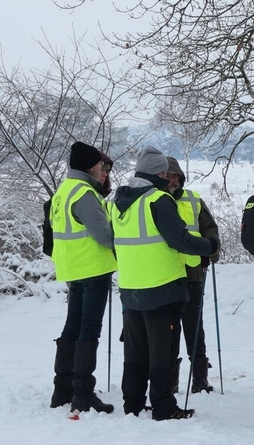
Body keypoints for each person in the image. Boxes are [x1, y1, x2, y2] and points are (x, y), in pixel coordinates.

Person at [110, 147, 218, 421]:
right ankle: (163, 405)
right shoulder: (158, 200)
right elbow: (180, 239)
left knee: (135, 350)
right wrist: (209, 246)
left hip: (130, 287)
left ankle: (132, 403)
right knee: (163, 350)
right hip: (162, 286)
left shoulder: (118, 202)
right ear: (157, 172)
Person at [48, 141, 118, 414]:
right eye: (100, 165)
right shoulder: (84, 193)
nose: (103, 169)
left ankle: (62, 389)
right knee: (89, 330)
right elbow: (104, 235)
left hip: (72, 269)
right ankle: (83, 393)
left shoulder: (63, 191)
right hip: (93, 268)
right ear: (90, 167)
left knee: (72, 328)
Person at [165, 157, 221, 395]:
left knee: (194, 327)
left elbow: (209, 227)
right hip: (166, 274)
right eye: (167, 175)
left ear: (180, 177)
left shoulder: (193, 199)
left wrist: (212, 247)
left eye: (175, 175)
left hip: (193, 273)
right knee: (169, 329)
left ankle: (200, 379)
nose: (171, 180)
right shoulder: (155, 201)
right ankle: (170, 380)